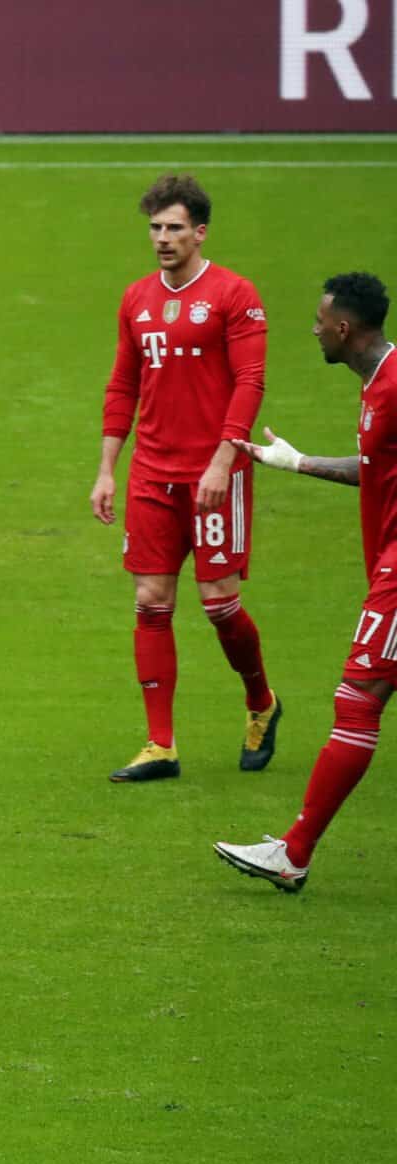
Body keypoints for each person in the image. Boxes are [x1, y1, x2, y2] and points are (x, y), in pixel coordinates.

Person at [93, 173, 278, 784]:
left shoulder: (234, 294)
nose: (162, 239)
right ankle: (160, 744)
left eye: (174, 228)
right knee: (151, 601)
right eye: (155, 228)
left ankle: (261, 702)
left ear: (200, 232)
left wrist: (224, 460)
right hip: (152, 473)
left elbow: (250, 381)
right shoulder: (136, 299)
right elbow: (123, 385)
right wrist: (107, 470)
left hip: (215, 473)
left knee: (220, 605)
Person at [215, 272, 396, 891]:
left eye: (320, 321)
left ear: (344, 328)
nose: (314, 330)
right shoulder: (376, 385)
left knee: (359, 698)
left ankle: (293, 853)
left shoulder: (396, 384)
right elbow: (374, 468)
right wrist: (297, 462)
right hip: (387, 562)